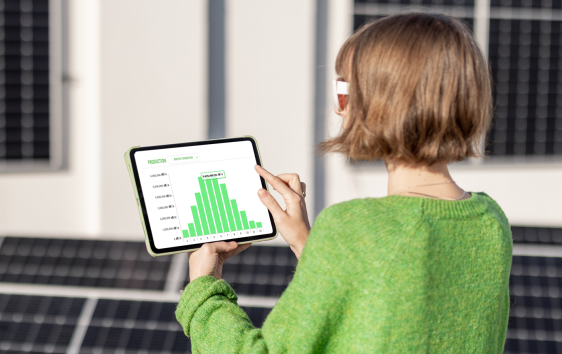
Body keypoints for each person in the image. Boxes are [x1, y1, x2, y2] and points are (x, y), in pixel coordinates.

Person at [176, 13, 511, 353]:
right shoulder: (491, 224)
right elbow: (387, 311)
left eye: (344, 91)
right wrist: (307, 244)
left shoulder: (353, 230)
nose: (340, 110)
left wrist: (204, 291)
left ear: (383, 102)